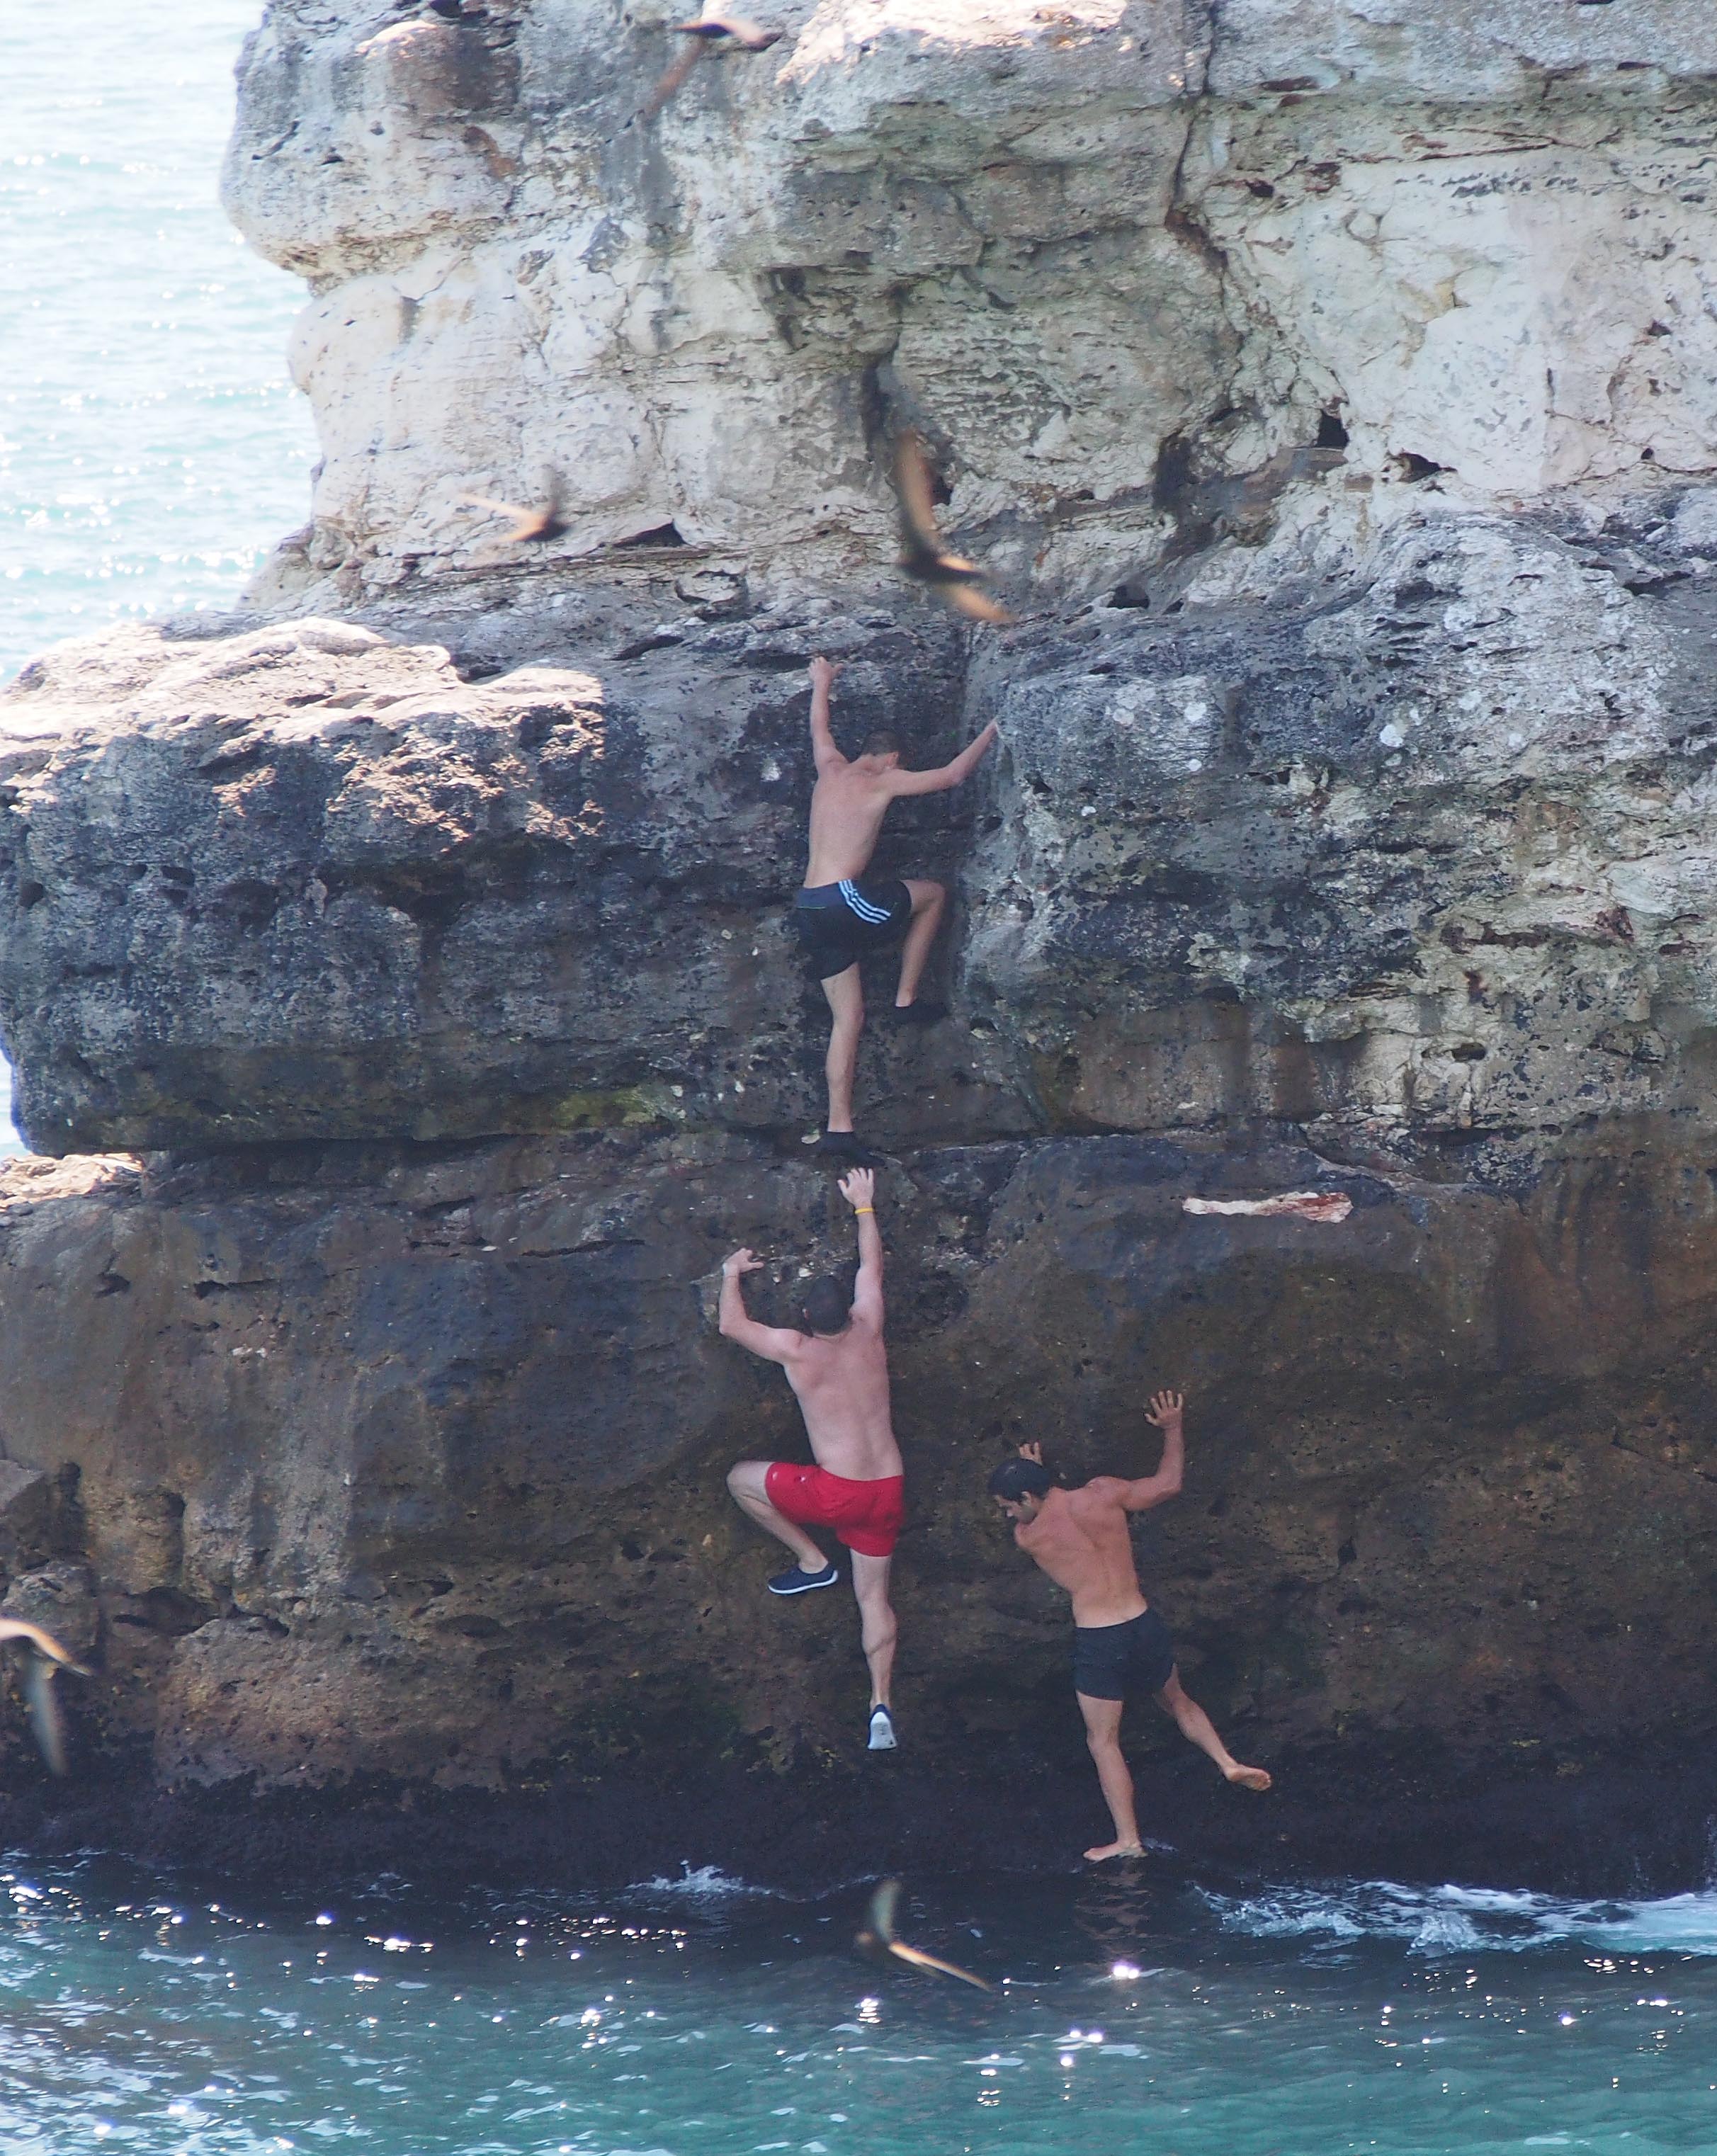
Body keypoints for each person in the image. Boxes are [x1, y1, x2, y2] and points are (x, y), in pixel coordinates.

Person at [989, 1390, 1271, 1860]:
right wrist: (1173, 1427)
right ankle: (1225, 1761)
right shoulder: (1103, 1493)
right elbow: (1167, 1484)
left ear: (1026, 1498)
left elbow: (1040, 1512)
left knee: (1103, 1741)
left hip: (1101, 1640)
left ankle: (1128, 1840)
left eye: (1007, 1505)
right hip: (1143, 1624)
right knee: (1177, 1701)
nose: (1007, 1516)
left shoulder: (1029, 1536)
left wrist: (1029, 1481)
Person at [719, 1167, 905, 1752]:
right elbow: (872, 1268)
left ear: (804, 1321)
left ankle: (811, 1561)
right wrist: (864, 1205)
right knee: (874, 1598)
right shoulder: (871, 1326)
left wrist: (730, 1274)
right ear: (847, 1313)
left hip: (837, 1491)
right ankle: (881, 1705)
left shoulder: (798, 1352)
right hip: (889, 1488)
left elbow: (731, 1324)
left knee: (738, 1480)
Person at [793, 654, 999, 1166]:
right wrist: (997, 724)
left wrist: (821, 682)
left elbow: (820, 727)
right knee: (932, 894)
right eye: (900, 765)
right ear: (891, 760)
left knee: (849, 1018)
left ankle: (839, 1129)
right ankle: (907, 998)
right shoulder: (882, 781)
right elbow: (952, 776)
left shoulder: (829, 768)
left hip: (810, 908)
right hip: (844, 901)